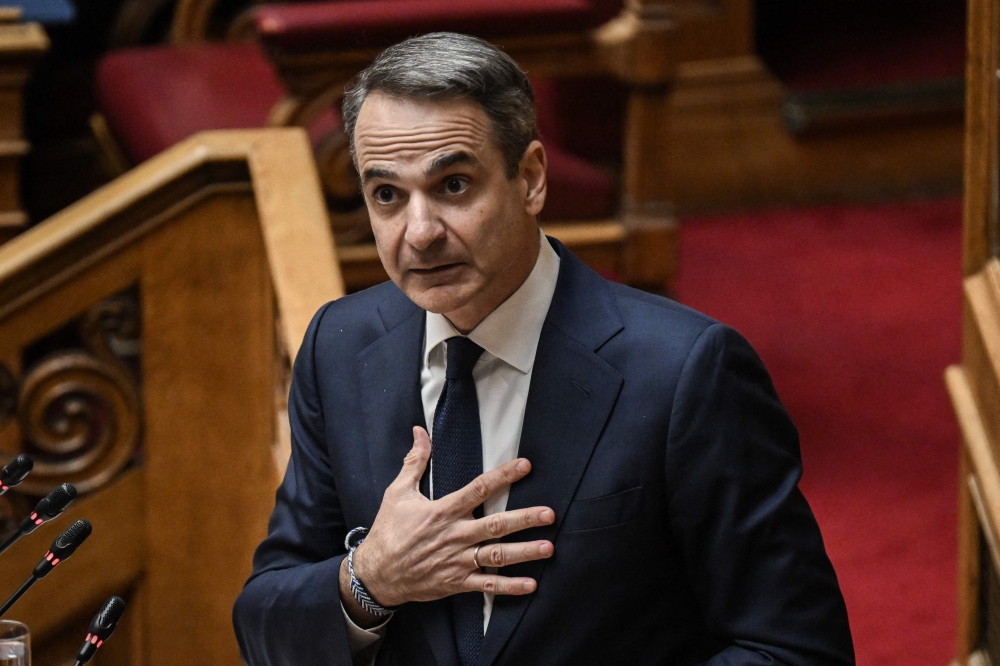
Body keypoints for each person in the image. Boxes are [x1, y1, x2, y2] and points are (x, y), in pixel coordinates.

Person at [232, 32, 854, 666]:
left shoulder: (684, 371)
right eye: (387, 195)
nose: (418, 233)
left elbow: (795, 650)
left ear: (529, 179)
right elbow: (263, 624)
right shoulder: (338, 349)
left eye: (453, 185)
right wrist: (368, 581)